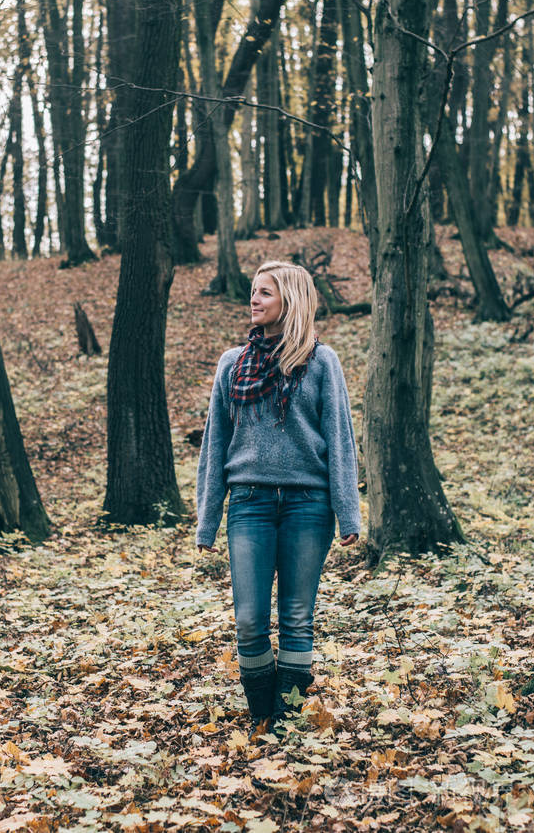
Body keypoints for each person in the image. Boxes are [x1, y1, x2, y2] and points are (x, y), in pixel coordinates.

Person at [196, 260, 361, 733]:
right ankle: (262, 714)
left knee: (296, 617)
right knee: (249, 620)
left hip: (309, 506)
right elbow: (214, 446)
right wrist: (207, 521)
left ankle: (284, 724)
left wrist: (348, 512)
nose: (254, 300)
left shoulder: (321, 361)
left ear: (290, 300)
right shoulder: (233, 364)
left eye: (264, 292)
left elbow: (340, 438)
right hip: (248, 503)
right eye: (252, 291)